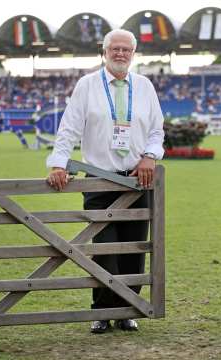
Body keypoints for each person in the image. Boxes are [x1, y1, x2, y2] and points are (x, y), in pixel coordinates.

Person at [46, 29, 164, 334]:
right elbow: (69, 128)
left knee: (134, 247)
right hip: (99, 181)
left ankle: (128, 310)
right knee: (105, 248)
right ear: (104, 51)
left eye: (126, 49)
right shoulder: (87, 85)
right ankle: (102, 311)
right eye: (115, 49)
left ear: (134, 53)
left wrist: (150, 155)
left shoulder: (145, 86)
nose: (121, 53)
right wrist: (59, 163)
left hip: (138, 181)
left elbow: (156, 130)